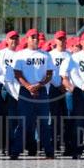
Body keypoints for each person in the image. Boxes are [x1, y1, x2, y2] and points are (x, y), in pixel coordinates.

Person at [11, 29, 55, 159]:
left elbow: (49, 74)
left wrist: (39, 85)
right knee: (23, 123)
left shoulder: (46, 55)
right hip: (25, 91)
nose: (35, 39)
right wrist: (28, 86)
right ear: (27, 39)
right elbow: (17, 73)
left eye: (37, 37)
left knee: (43, 123)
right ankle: (16, 152)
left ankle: (49, 152)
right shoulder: (20, 54)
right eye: (32, 37)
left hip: (41, 91)